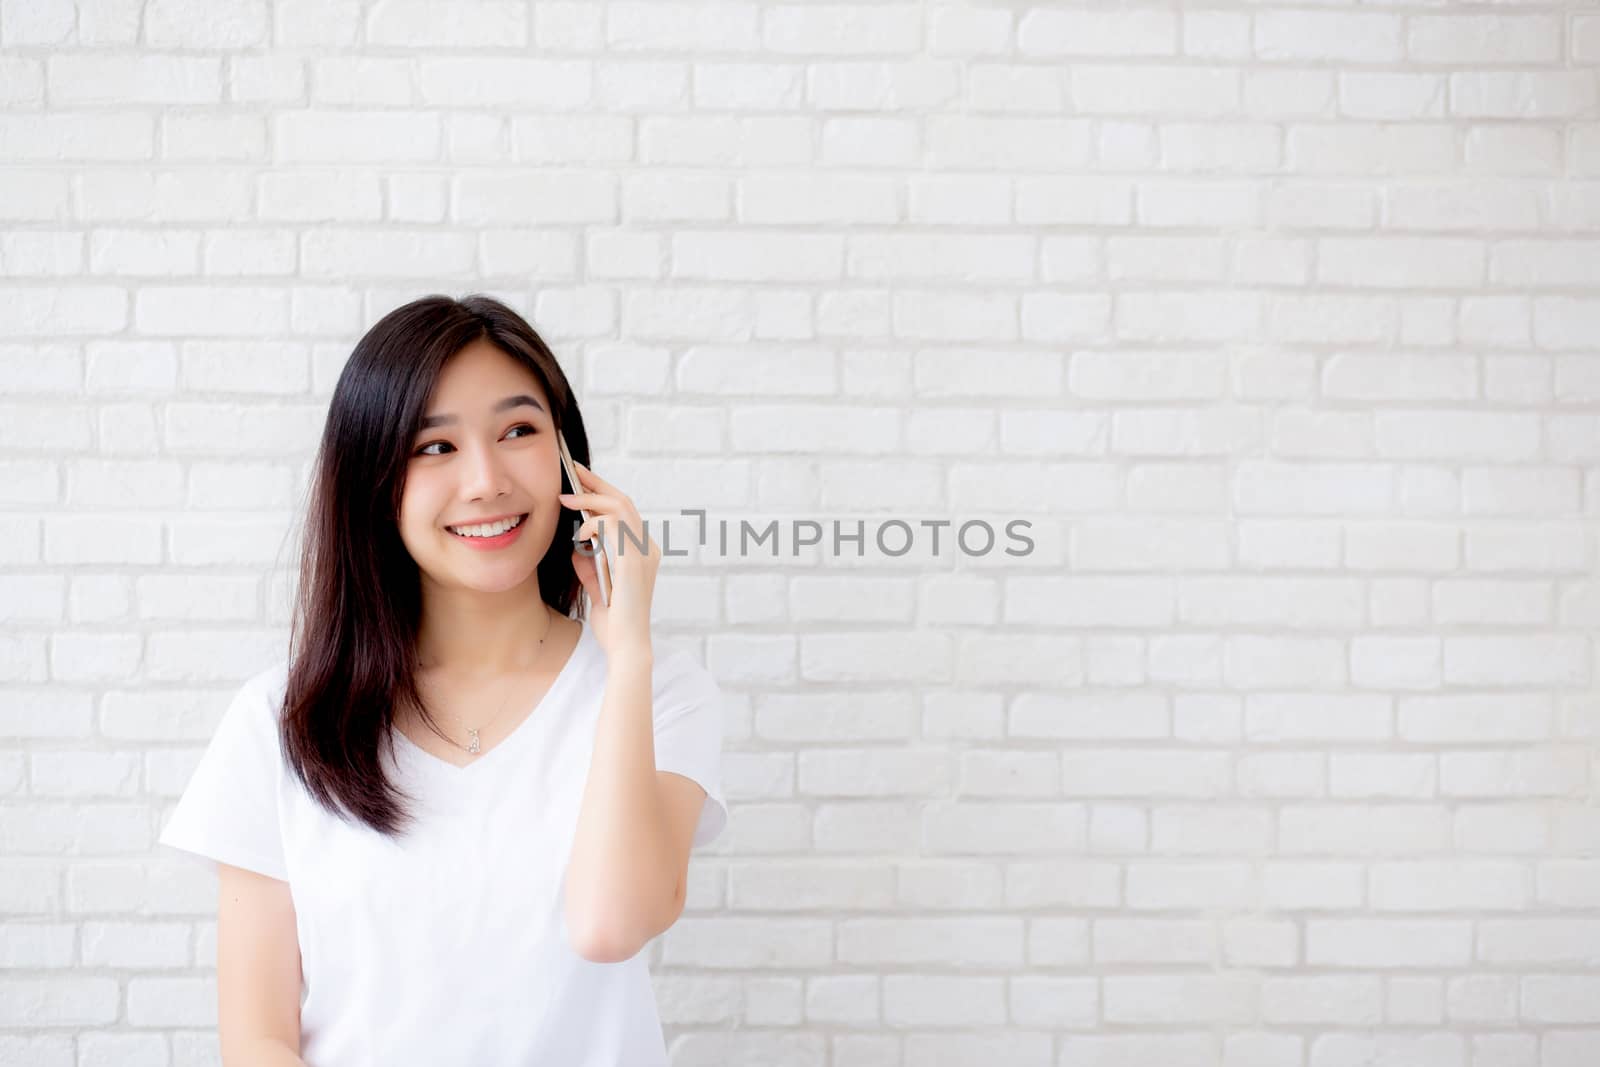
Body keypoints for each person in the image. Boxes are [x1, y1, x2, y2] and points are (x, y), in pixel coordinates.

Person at [158, 293, 728, 1066]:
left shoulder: (658, 693)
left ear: (570, 459)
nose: (486, 480)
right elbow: (258, 1037)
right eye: (435, 447)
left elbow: (608, 924)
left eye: (518, 431)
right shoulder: (282, 719)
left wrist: (628, 651)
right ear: (375, 480)